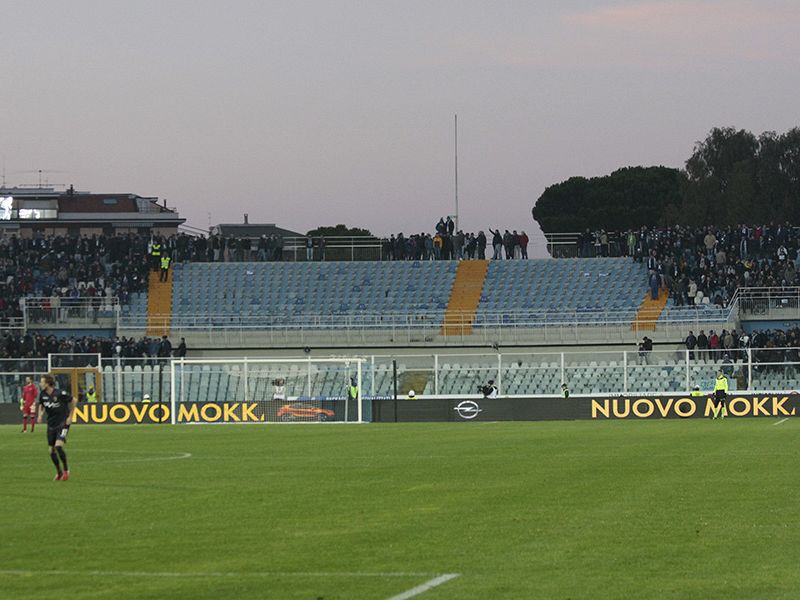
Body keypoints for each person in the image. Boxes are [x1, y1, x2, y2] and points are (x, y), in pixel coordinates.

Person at [36, 374, 76, 481]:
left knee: (58, 446)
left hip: (63, 423)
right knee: (51, 450)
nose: (40, 384)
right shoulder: (43, 394)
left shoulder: (60, 393)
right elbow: (41, 404)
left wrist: (71, 416)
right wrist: (40, 415)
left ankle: (66, 470)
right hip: (51, 424)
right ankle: (59, 472)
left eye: (42, 382)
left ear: (48, 383)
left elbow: (74, 400)